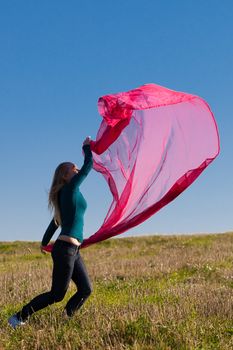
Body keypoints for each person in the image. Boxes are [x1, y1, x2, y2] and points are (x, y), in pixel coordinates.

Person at [8, 137, 93, 328]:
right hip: (65, 249)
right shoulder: (70, 189)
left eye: (76, 168)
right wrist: (88, 148)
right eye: (74, 168)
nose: (77, 170)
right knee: (57, 294)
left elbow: (55, 222)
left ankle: (66, 320)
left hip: (73, 250)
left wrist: (44, 242)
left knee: (86, 289)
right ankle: (18, 317)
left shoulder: (70, 193)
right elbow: (88, 166)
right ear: (65, 175)